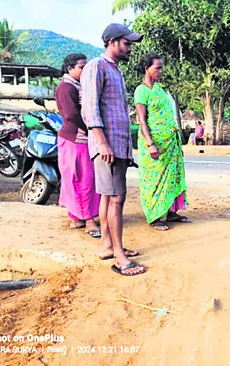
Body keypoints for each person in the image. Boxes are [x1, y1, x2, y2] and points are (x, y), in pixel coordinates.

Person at [81, 23, 145, 276]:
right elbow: (90, 107)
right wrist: (102, 141)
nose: (130, 48)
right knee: (117, 198)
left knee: (109, 197)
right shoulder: (96, 66)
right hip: (108, 146)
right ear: (113, 42)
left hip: (118, 146)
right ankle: (119, 256)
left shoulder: (115, 71)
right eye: (127, 43)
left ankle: (107, 245)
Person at [134, 53, 191, 231]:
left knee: (173, 176)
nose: (161, 71)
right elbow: (142, 120)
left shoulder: (160, 90)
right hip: (154, 144)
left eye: (161, 67)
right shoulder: (141, 90)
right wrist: (151, 144)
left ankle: (172, 212)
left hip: (170, 143)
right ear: (146, 69)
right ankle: (155, 216)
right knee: (154, 179)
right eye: (157, 67)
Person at [55, 53, 101, 237]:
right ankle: (88, 219)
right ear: (70, 69)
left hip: (77, 139)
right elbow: (72, 115)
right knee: (83, 179)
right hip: (76, 139)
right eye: (81, 67)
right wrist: (92, 128)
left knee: (77, 178)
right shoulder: (66, 87)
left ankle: (77, 216)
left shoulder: (76, 86)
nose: (85, 70)